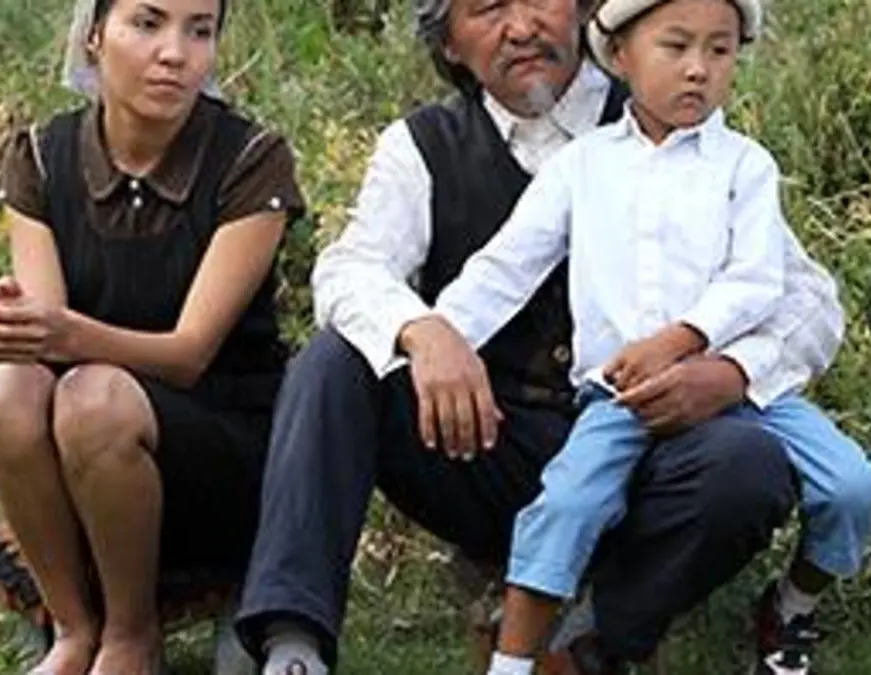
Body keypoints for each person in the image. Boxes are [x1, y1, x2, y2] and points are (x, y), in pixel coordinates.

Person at [231, 0, 833, 673]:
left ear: (583, 10)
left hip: (653, 446)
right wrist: (424, 331)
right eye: (488, 7)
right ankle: (294, 646)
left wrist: (732, 373)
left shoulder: (669, 112)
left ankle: (593, 641)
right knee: (335, 361)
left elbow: (808, 300)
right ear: (449, 43)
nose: (521, 27)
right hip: (487, 445)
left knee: (748, 463)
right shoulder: (422, 147)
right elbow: (349, 269)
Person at [428, 0, 871, 673]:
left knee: (851, 487)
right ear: (619, 56)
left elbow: (758, 280)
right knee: (568, 504)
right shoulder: (582, 166)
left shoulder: (746, 167)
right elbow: (507, 267)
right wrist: (440, 335)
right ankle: (514, 662)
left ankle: (791, 609)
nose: (698, 69)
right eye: (676, 47)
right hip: (620, 395)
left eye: (719, 51)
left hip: (743, 392)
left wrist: (683, 339)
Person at [0, 0, 304, 672]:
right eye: (148, 24)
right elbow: (43, 338)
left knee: (93, 398)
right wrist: (5, 321)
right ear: (94, 36)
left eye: (199, 30)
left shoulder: (250, 161)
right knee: (10, 391)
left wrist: (61, 331)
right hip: (85, 454)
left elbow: (189, 354)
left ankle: (130, 635)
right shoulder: (41, 157)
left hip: (222, 448)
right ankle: (72, 629)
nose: (175, 53)